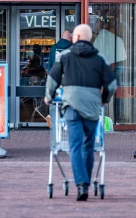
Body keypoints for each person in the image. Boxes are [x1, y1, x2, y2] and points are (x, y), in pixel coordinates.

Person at [44, 24, 116, 201]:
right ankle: (86, 182)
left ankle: (82, 184)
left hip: (72, 106)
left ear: (75, 37)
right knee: (88, 146)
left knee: (75, 145)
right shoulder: (100, 57)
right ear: (90, 38)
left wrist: (49, 97)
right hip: (92, 107)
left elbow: (52, 78)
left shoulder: (65, 55)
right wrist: (104, 99)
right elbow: (112, 85)